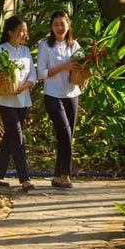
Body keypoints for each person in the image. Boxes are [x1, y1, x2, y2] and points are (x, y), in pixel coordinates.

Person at [0, 15, 38, 192]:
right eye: (20, 31)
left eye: (25, 32)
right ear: (10, 32)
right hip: (6, 101)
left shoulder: (26, 51)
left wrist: (24, 86)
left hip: (23, 100)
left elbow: (32, 75)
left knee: (10, 137)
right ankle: (25, 179)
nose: (24, 35)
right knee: (17, 137)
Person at [36, 10, 82, 189]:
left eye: (62, 24)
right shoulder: (45, 46)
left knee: (68, 136)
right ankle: (65, 175)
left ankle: (57, 176)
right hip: (53, 95)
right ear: (51, 27)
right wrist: (64, 66)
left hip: (72, 94)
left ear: (69, 25)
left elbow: (82, 65)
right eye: (56, 24)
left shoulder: (75, 46)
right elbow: (41, 73)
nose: (59, 27)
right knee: (63, 132)